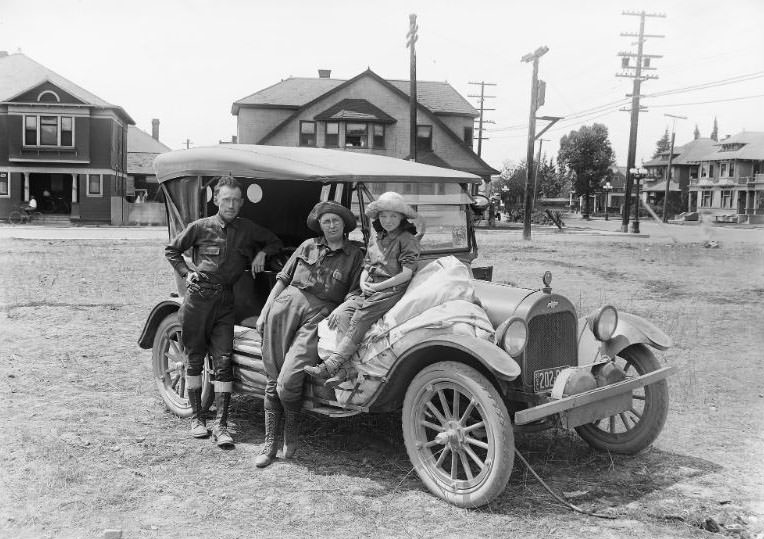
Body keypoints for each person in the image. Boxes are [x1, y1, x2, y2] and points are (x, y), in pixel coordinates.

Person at [165, 175, 282, 448]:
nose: (230, 205)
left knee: (223, 361)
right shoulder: (200, 227)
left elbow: (274, 241)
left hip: (226, 302)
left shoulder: (248, 229)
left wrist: (262, 253)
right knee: (193, 359)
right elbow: (172, 250)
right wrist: (186, 273)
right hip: (198, 299)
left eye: (235, 200)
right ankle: (197, 418)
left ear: (241, 202)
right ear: (216, 199)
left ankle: (222, 425)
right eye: (225, 199)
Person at [255, 201, 364, 468]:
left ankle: (290, 433)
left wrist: (340, 309)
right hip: (284, 308)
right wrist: (266, 308)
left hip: (320, 316)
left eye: (336, 221)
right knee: (272, 374)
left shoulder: (355, 255)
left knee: (289, 377)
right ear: (320, 225)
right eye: (326, 221)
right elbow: (283, 278)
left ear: (345, 225)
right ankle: (270, 443)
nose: (331, 226)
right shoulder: (307, 246)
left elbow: (355, 293)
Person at [304, 191, 421, 388]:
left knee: (361, 316)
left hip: (391, 289)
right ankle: (346, 369)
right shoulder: (377, 239)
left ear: (402, 218)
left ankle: (331, 364)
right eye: (383, 216)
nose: (388, 220)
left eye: (393, 216)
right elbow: (367, 266)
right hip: (371, 288)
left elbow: (406, 274)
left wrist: (378, 286)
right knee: (343, 314)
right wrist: (363, 282)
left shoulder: (407, 239)